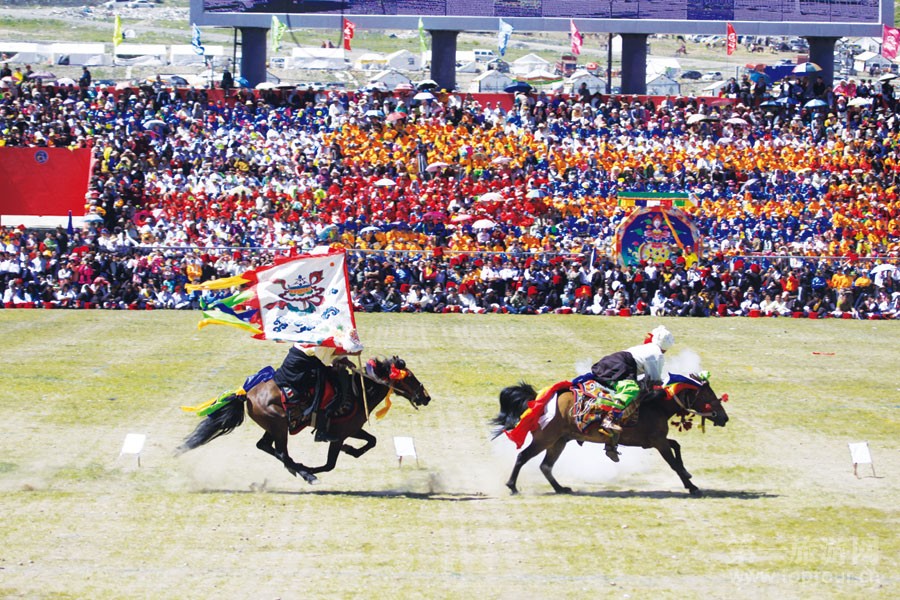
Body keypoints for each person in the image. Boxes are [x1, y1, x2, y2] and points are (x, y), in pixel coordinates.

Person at [575, 325, 675, 462]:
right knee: (631, 389)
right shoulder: (657, 355)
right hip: (621, 366)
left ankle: (611, 438)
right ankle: (610, 419)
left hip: (615, 363)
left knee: (635, 391)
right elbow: (654, 382)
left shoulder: (648, 348)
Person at [274, 343, 357, 442]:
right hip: (301, 366)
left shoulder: (325, 336)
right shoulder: (320, 338)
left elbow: (333, 349)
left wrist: (344, 358)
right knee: (329, 391)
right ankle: (321, 430)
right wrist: (342, 358)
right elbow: (325, 359)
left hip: (310, 361)